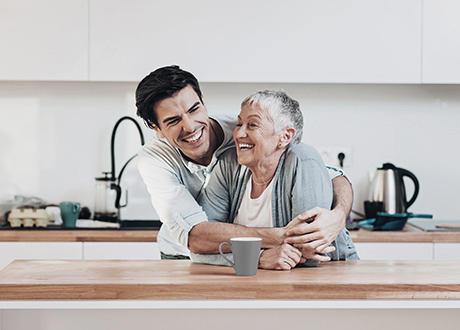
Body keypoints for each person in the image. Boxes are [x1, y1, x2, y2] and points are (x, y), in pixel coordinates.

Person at [135, 65, 354, 267]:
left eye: (194, 109)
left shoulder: (241, 132)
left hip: (245, 255)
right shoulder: (155, 160)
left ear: (203, 100)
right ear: (156, 128)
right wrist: (278, 241)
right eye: (173, 121)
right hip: (183, 254)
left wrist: (339, 215)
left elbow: (330, 175)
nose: (190, 126)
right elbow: (197, 239)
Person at [192, 90, 358, 268]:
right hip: (259, 282)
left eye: (252, 125)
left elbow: (308, 252)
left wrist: (236, 249)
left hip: (330, 280)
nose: (239, 134)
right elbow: (200, 244)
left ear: (285, 136)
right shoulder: (229, 165)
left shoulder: (303, 159)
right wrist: (259, 257)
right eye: (239, 124)